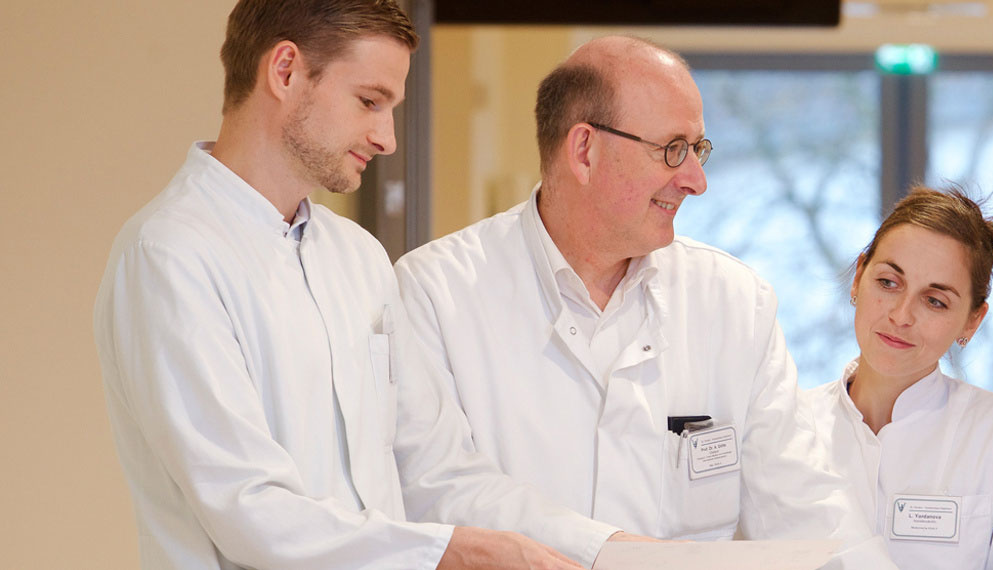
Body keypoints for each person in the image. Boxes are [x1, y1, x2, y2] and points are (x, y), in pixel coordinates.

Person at [93, 1, 634, 568]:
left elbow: (434, 464)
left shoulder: (358, 257)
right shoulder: (169, 255)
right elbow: (248, 509)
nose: (387, 139)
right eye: (370, 102)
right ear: (284, 71)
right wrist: (449, 551)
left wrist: (606, 552)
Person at [392, 36, 896, 568]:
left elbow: (808, 504)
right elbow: (436, 488)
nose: (696, 181)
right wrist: (612, 553)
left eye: (698, 150)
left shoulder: (733, 301)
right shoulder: (436, 291)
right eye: (672, 149)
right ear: (584, 150)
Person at [798, 187, 993, 569]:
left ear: (972, 320)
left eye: (935, 301)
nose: (901, 315)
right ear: (858, 277)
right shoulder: (790, 428)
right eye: (888, 283)